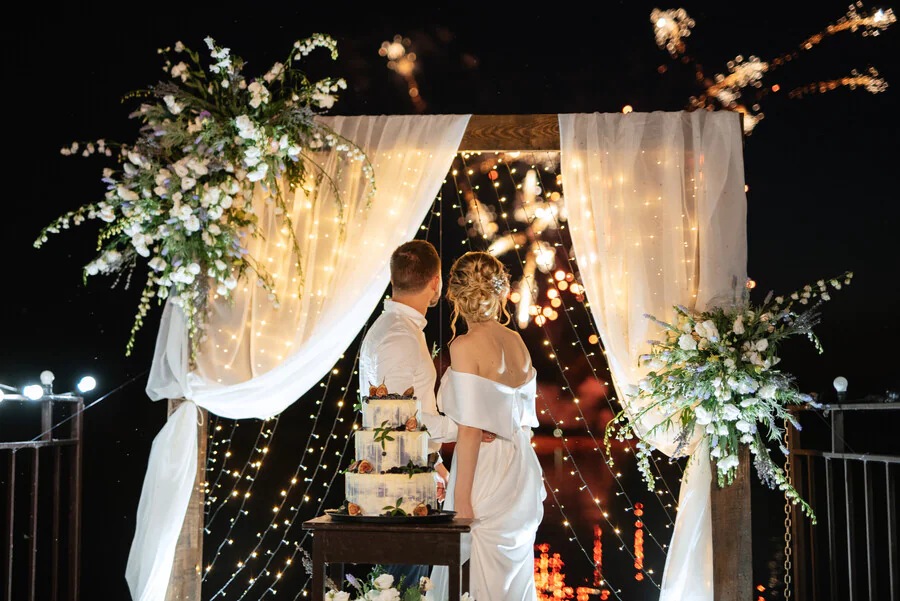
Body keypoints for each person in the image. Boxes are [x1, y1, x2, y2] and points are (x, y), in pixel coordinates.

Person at [359, 241, 495, 586]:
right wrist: (469, 427)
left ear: (394, 279)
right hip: (396, 495)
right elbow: (397, 421)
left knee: (411, 584)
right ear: (436, 281)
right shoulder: (398, 337)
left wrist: (435, 467)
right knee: (403, 586)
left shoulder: (399, 330)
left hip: (412, 481)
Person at [427, 251, 546, 601]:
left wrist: (461, 499)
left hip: (485, 469)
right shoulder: (518, 342)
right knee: (513, 578)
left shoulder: (463, 345)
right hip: (522, 468)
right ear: (500, 291)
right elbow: (524, 422)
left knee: (473, 574)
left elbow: (471, 429)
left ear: (456, 295)